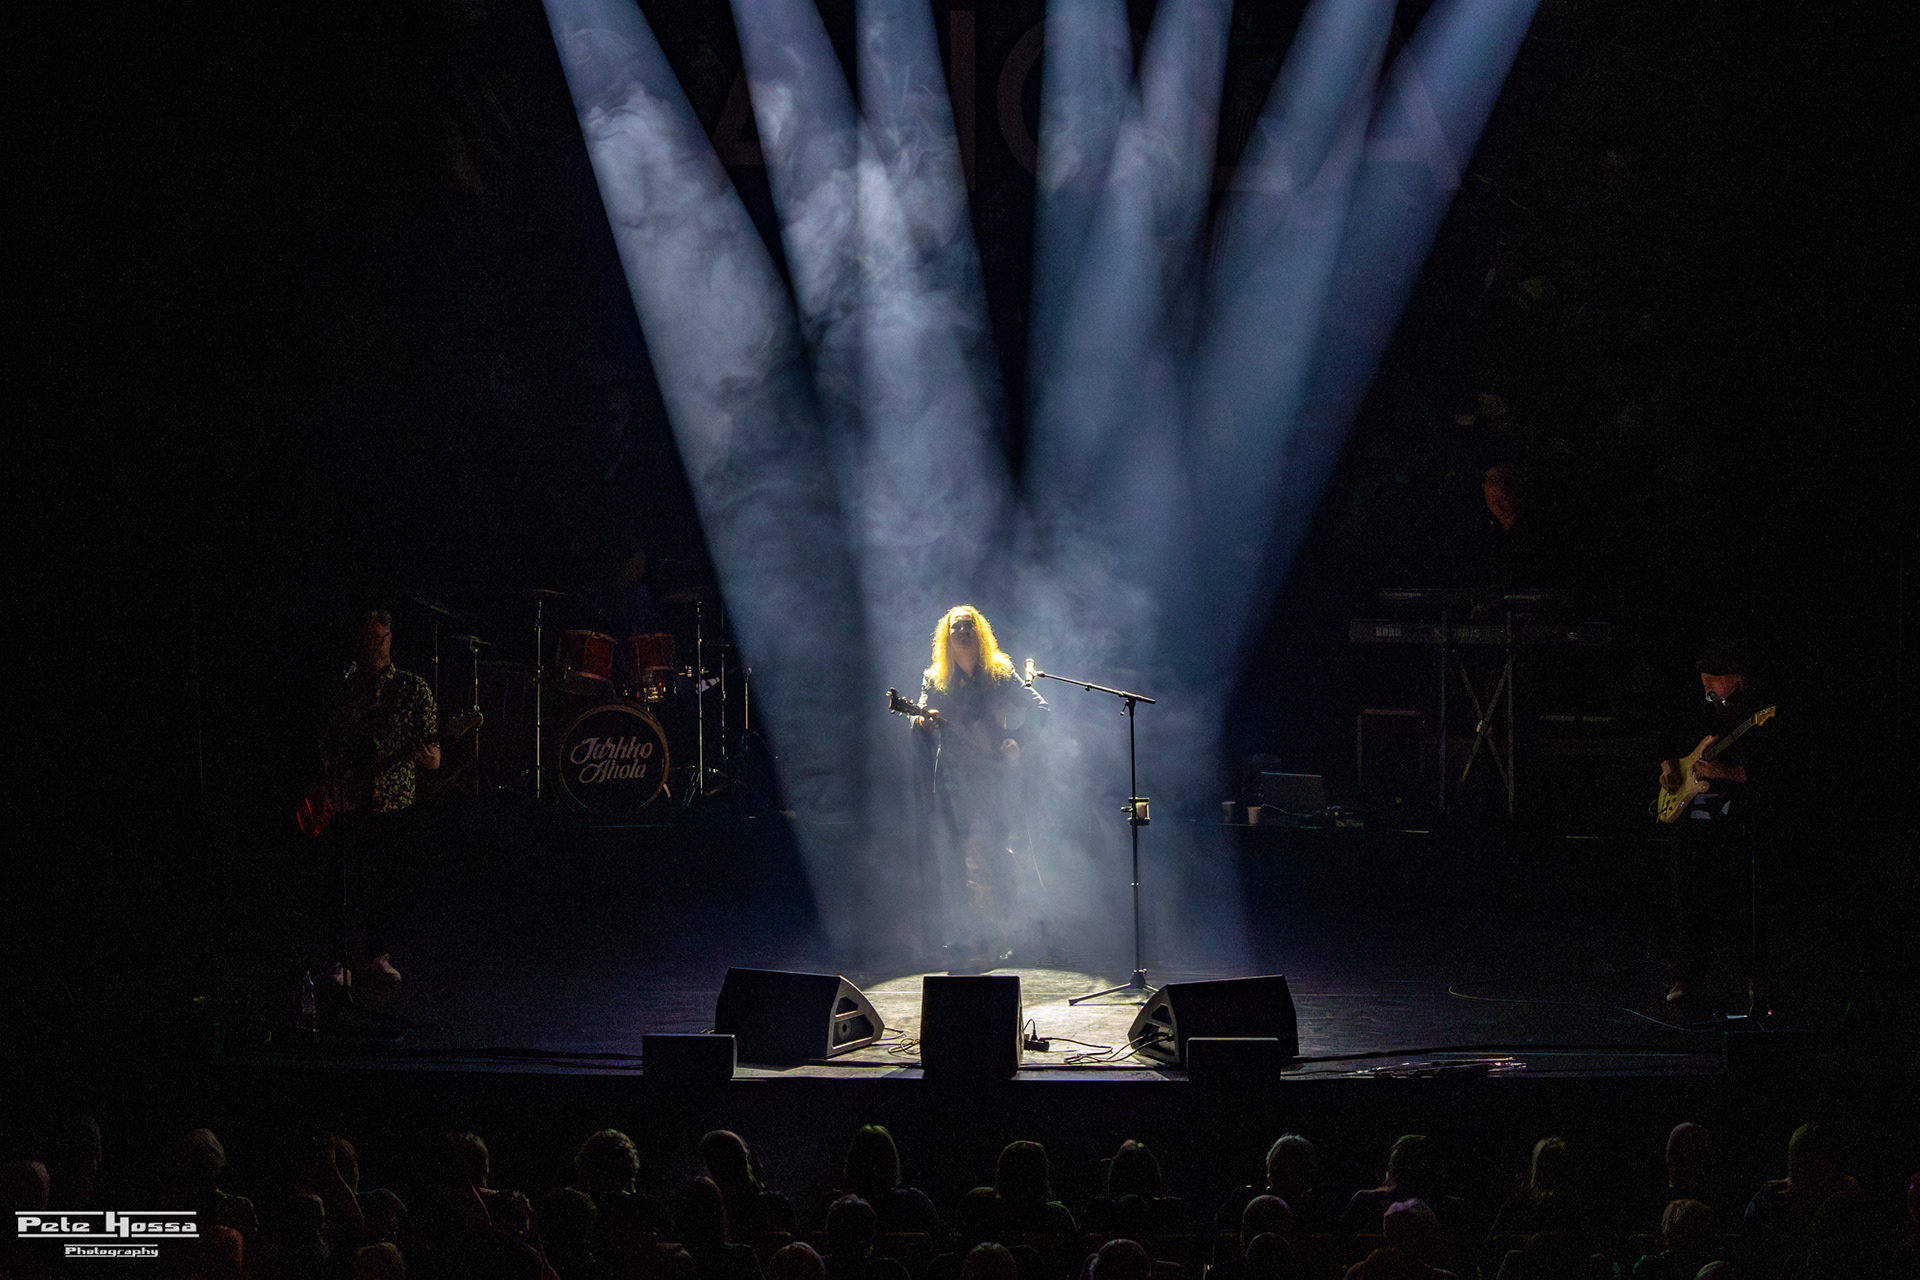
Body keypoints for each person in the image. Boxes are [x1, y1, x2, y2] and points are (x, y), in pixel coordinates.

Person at [911, 605, 1047, 968]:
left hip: (991, 777)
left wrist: (1018, 741)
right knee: (959, 858)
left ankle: (1001, 934)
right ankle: (969, 937)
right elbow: (920, 716)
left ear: (979, 633)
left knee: (991, 852)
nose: (962, 631)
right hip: (953, 781)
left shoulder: (999, 674)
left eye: (968, 626)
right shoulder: (935, 678)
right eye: (956, 627)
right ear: (946, 637)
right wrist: (923, 723)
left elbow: (1040, 708)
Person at [321, 609, 440, 987]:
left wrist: (424, 756)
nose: (372, 647)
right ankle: (340, 958)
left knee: (387, 884)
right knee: (346, 881)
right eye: (365, 641)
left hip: (394, 799)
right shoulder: (347, 687)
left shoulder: (413, 688)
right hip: (351, 798)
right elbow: (328, 740)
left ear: (390, 639)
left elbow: (434, 756)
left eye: (378, 639)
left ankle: (376, 957)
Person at [1656, 639, 1775, 1008]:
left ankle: (1753, 979)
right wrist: (1669, 767)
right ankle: (1684, 976)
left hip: (1733, 825)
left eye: (1715, 683)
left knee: (1738, 905)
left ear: (1737, 679)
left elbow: (1768, 774)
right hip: (1692, 823)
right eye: (1705, 684)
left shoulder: (1755, 715)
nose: (1708, 691)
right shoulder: (1700, 710)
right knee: (1687, 901)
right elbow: (1670, 743)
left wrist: (1725, 771)